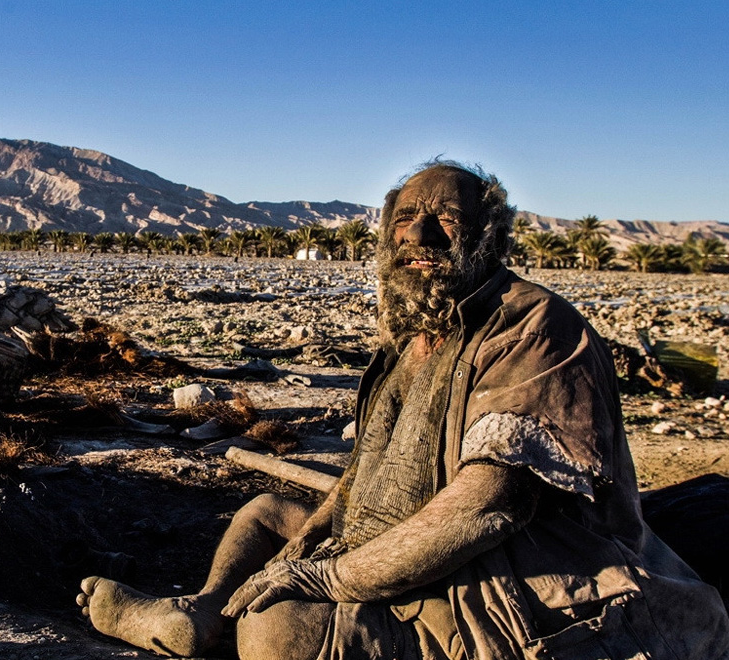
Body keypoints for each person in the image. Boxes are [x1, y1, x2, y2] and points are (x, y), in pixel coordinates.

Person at [77, 162, 729, 659]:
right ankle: (204, 611)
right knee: (268, 514)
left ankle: (241, 624)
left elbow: (487, 506)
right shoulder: (406, 345)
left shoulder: (531, 325)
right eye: (404, 218)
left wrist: (330, 576)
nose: (419, 232)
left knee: (279, 627)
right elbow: (361, 476)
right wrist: (307, 543)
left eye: (445, 217)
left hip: (511, 571)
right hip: (391, 545)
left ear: (490, 234)